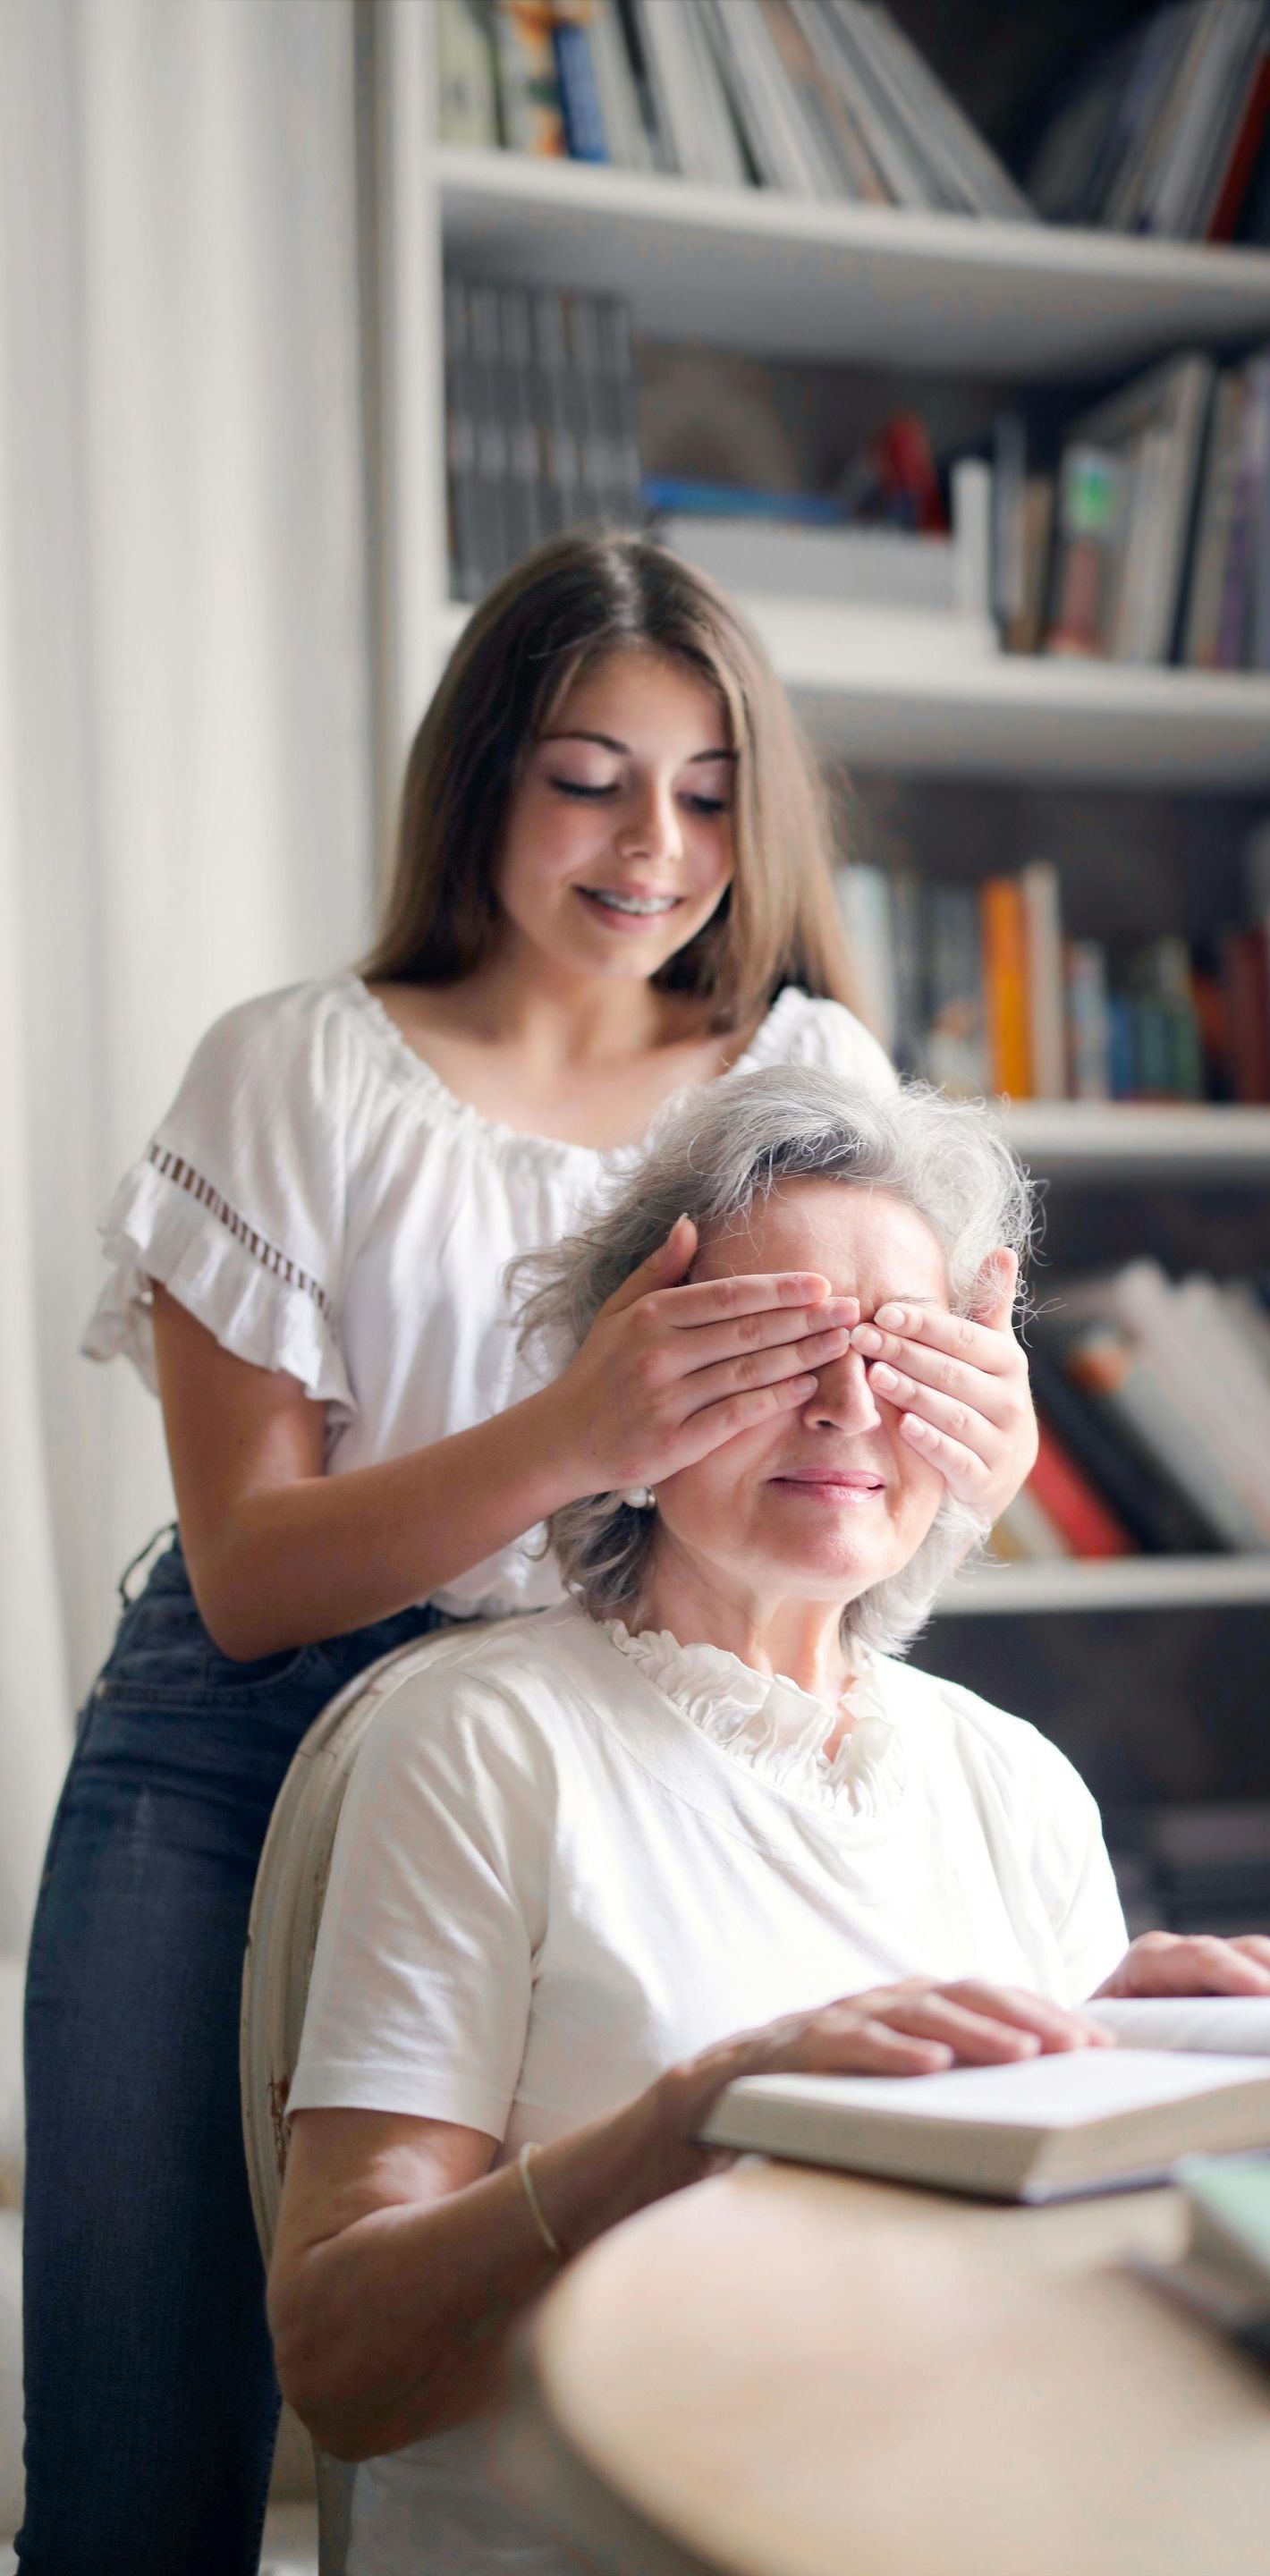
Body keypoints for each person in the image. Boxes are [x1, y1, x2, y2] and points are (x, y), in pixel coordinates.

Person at [21, 535, 1041, 2576]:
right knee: (143, 2429)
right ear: (477, 779)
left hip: (633, 1721)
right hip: (246, 1732)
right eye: (584, 776)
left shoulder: (804, 1073)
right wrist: (576, 1429)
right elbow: (247, 1575)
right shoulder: (292, 1068)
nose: (650, 843)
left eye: (705, 788)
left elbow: (855, 1506)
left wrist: (977, 1464)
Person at [271, 1065, 1270, 2576]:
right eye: (773, 1347)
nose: (851, 1405)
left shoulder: (1017, 1782)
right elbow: (344, 2368)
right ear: (633, 1383)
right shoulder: (477, 1743)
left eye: (900, 1351)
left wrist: (1125, 2070)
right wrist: (703, 2112)